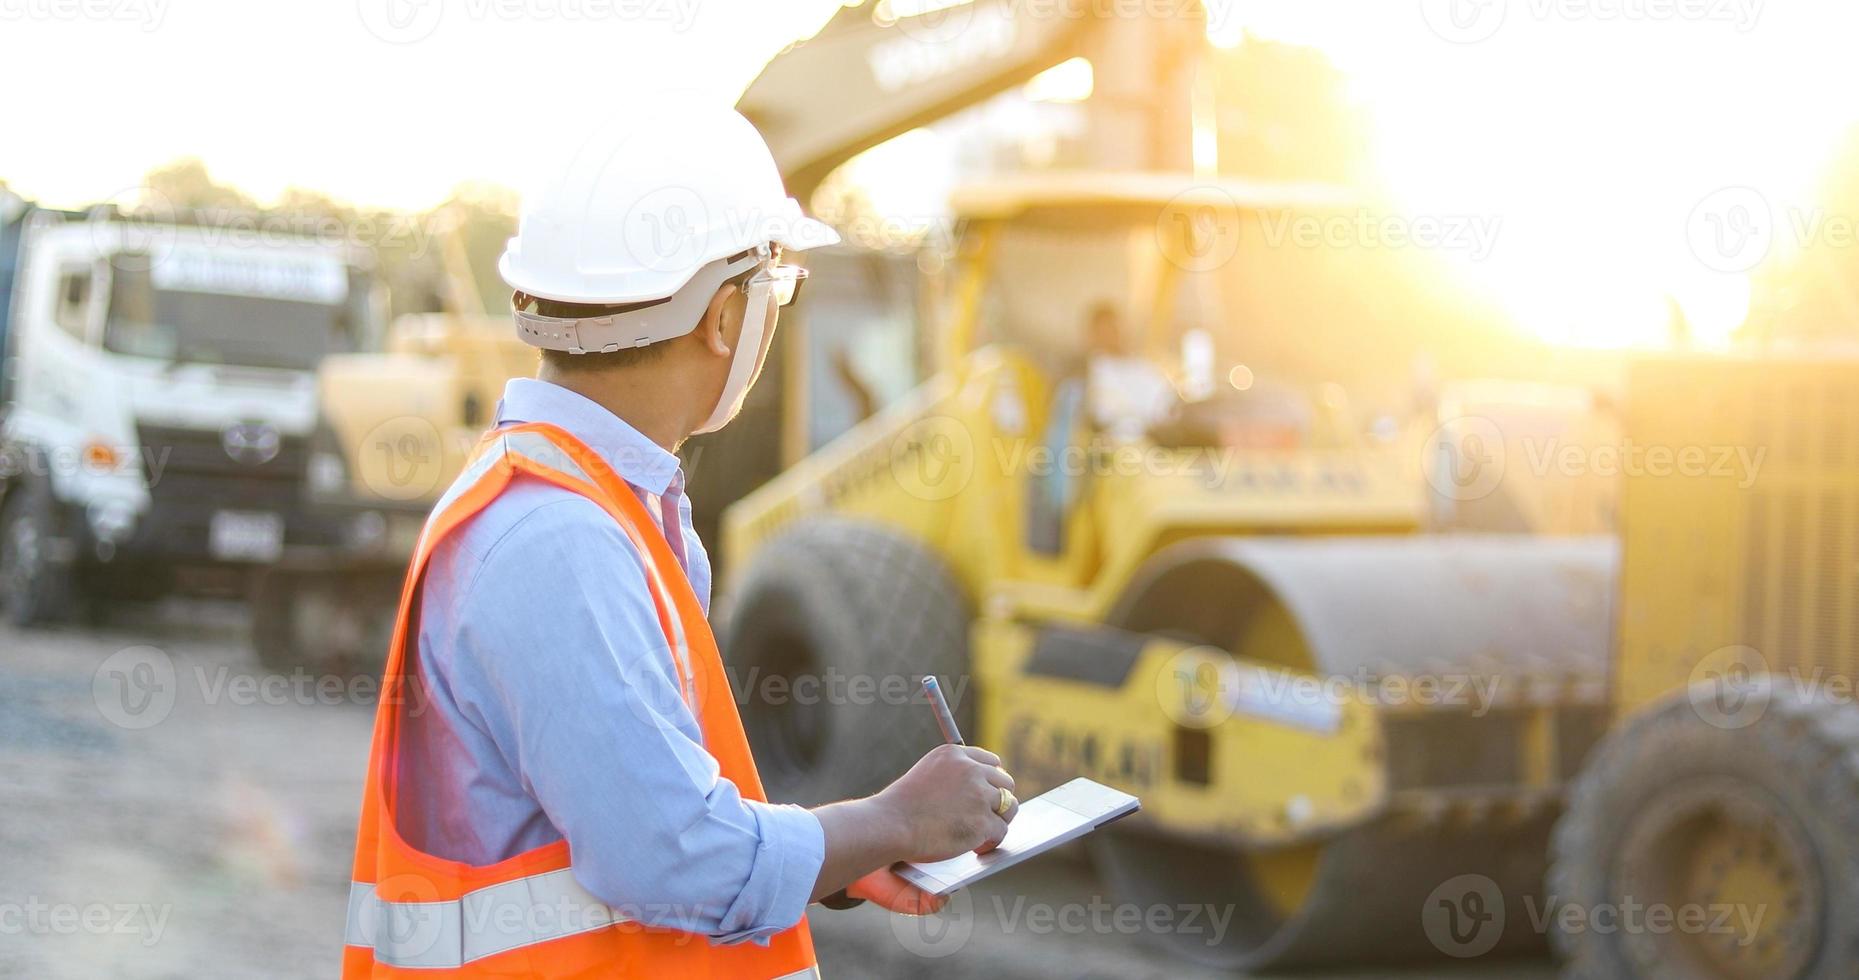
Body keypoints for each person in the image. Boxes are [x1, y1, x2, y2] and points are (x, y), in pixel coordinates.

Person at [342, 98, 1017, 978]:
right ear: (724, 319)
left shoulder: (584, 507)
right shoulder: (559, 540)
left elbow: (633, 809)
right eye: (773, 288)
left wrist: (841, 856)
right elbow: (666, 858)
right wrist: (893, 820)